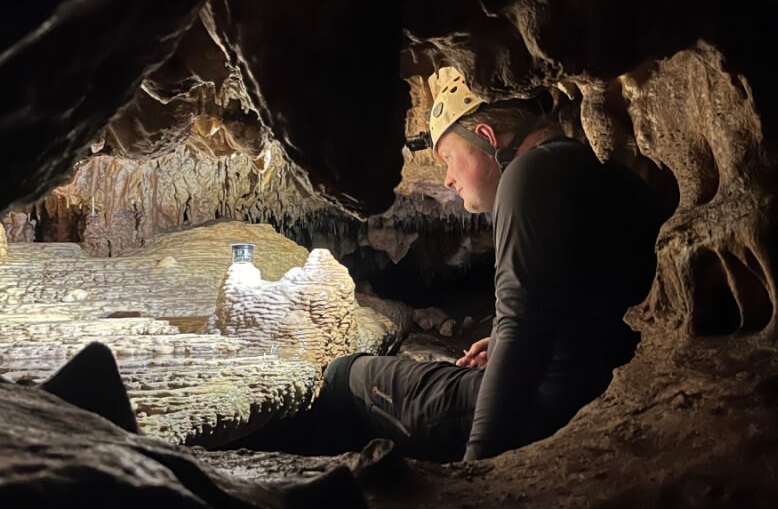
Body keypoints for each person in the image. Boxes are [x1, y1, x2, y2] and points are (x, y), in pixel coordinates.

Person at [242, 71, 664, 462]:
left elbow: (522, 332)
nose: (446, 179)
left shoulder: (528, 173)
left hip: (540, 407)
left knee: (343, 374)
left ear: (486, 135)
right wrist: (498, 341)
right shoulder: (586, 166)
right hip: (593, 388)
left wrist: (480, 470)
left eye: (448, 158)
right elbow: (572, 300)